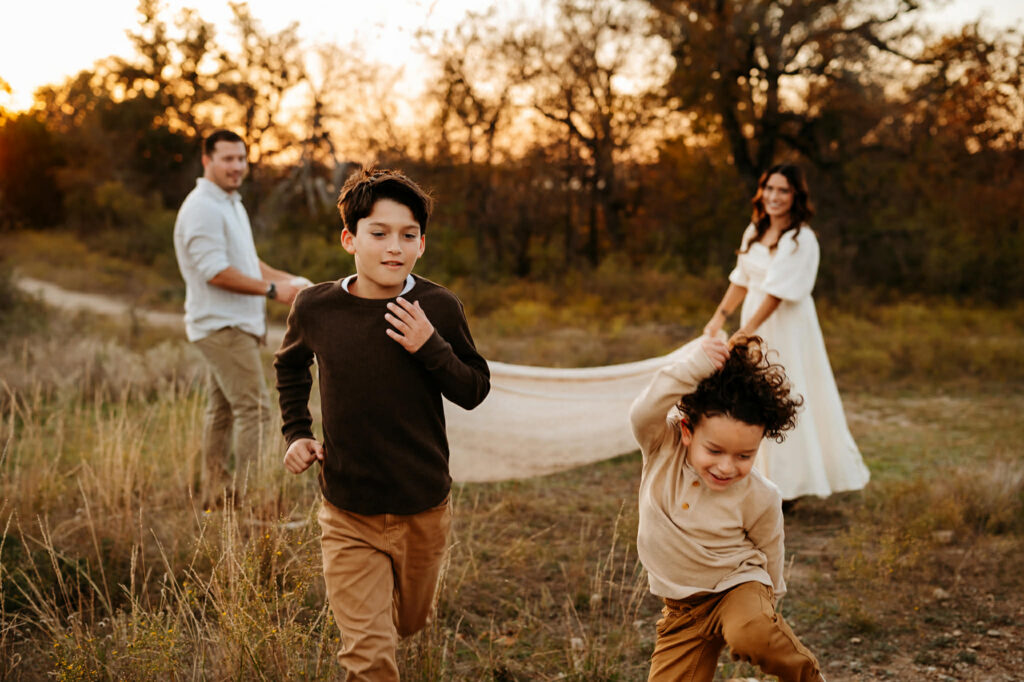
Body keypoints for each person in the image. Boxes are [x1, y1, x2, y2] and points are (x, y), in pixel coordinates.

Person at [274, 168, 490, 681]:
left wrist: (429, 346)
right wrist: (298, 432)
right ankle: (370, 635)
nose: (394, 247)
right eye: (379, 233)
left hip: (422, 505)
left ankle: (389, 615)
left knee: (408, 623)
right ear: (350, 239)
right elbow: (289, 364)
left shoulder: (437, 306)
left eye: (408, 235)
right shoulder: (317, 307)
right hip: (348, 509)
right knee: (369, 657)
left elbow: (474, 389)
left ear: (421, 244)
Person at [631, 334, 825, 682]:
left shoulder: (760, 495)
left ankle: (808, 677)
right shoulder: (662, 447)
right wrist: (694, 367)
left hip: (737, 586)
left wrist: (769, 601)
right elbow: (644, 409)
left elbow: (770, 547)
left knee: (751, 633)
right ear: (687, 431)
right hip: (682, 610)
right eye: (715, 450)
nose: (726, 467)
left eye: (744, 456)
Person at [703, 164, 869, 501]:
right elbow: (741, 279)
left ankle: (789, 487)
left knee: (787, 394)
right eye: (770, 189)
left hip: (786, 326)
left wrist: (747, 331)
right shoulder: (754, 230)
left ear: (796, 197)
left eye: (783, 191)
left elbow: (777, 294)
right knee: (755, 397)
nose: (774, 197)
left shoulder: (801, 238)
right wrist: (717, 320)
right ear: (761, 192)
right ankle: (757, 476)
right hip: (754, 319)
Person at [173, 129, 311, 505]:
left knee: (222, 410)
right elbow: (214, 271)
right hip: (221, 326)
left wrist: (290, 282)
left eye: (241, 159)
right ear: (207, 160)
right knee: (255, 409)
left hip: (235, 325)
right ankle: (255, 503)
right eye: (228, 159)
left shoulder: (229, 202)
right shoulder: (202, 207)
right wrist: (272, 292)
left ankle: (216, 496)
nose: (237, 167)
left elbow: (249, 264)